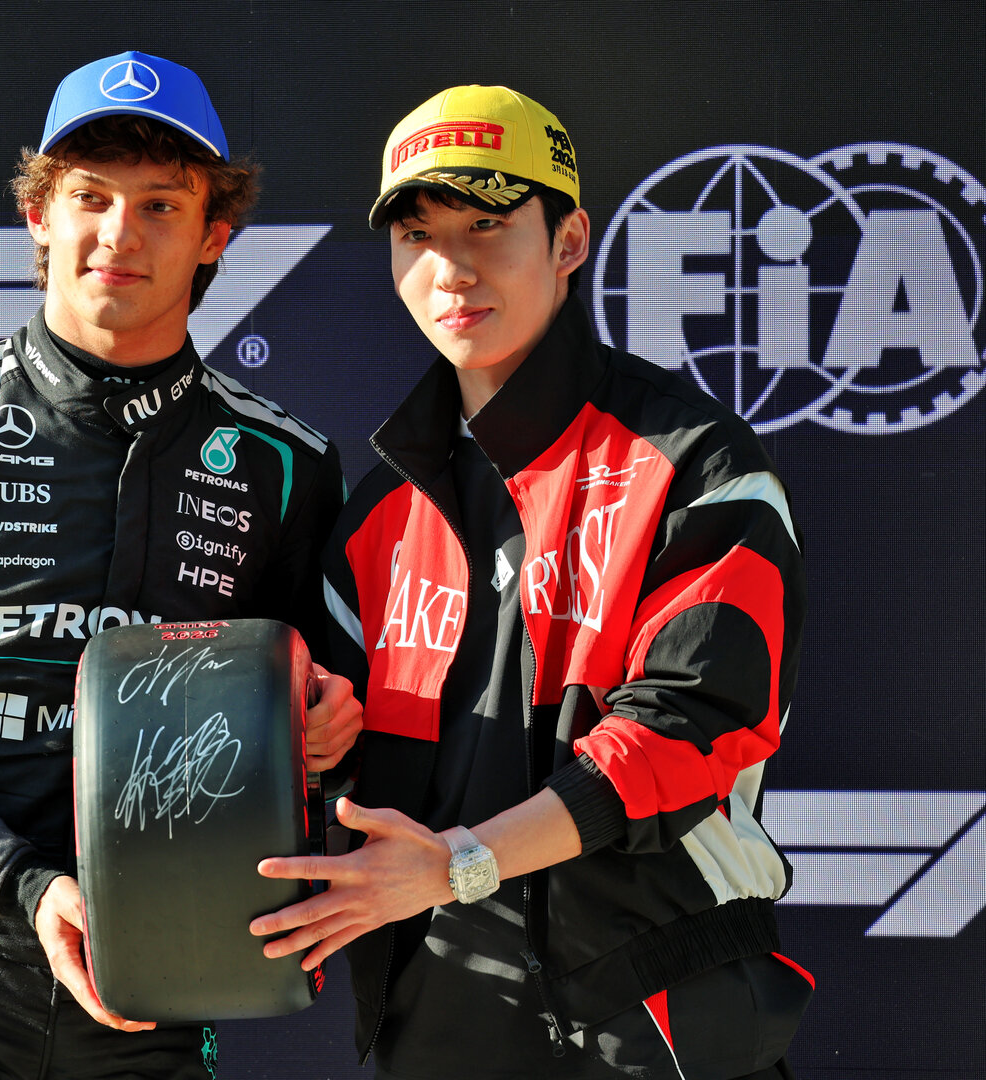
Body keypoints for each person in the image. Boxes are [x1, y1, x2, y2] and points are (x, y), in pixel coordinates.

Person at [0, 51, 359, 1080]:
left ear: (213, 238)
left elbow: (332, 735)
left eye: (160, 206)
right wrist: (29, 889)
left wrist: (327, 725)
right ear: (39, 216)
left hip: (165, 984)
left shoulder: (287, 466)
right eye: (89, 197)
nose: (118, 235)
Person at [250, 85, 811, 1079]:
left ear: (570, 240)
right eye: (417, 233)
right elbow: (341, 788)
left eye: (488, 226)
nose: (449, 267)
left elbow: (691, 729)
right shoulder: (378, 514)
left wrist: (464, 860)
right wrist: (319, 746)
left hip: (656, 1026)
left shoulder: (694, 463)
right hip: (438, 1031)